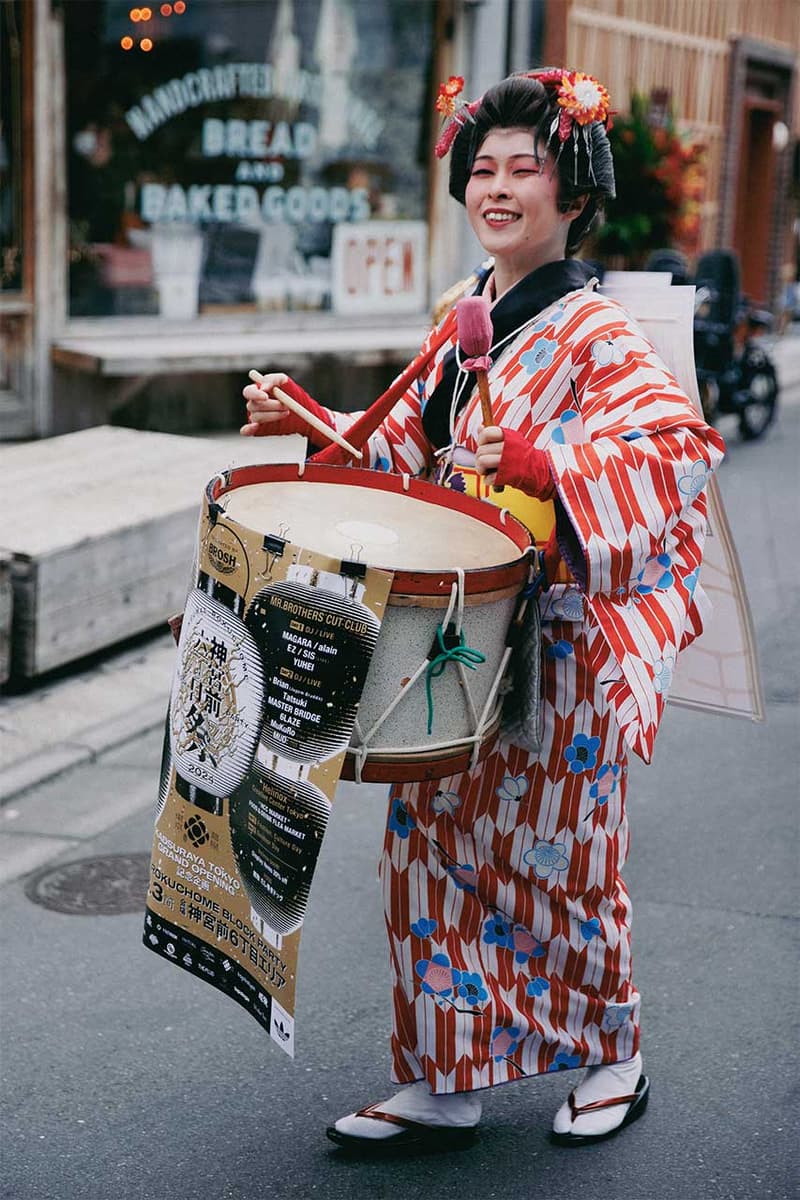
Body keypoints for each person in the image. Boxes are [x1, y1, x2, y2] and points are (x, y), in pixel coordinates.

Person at [240, 68, 725, 1154]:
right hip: (452, 638)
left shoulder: (595, 332)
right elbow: (392, 453)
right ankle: (446, 1075)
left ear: (571, 196)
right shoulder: (461, 318)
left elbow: (673, 454)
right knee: (428, 852)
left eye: (524, 170)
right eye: (484, 170)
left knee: (560, 861)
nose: (497, 189)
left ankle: (613, 1053)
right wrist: (300, 415)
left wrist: (540, 461)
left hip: (557, 642)